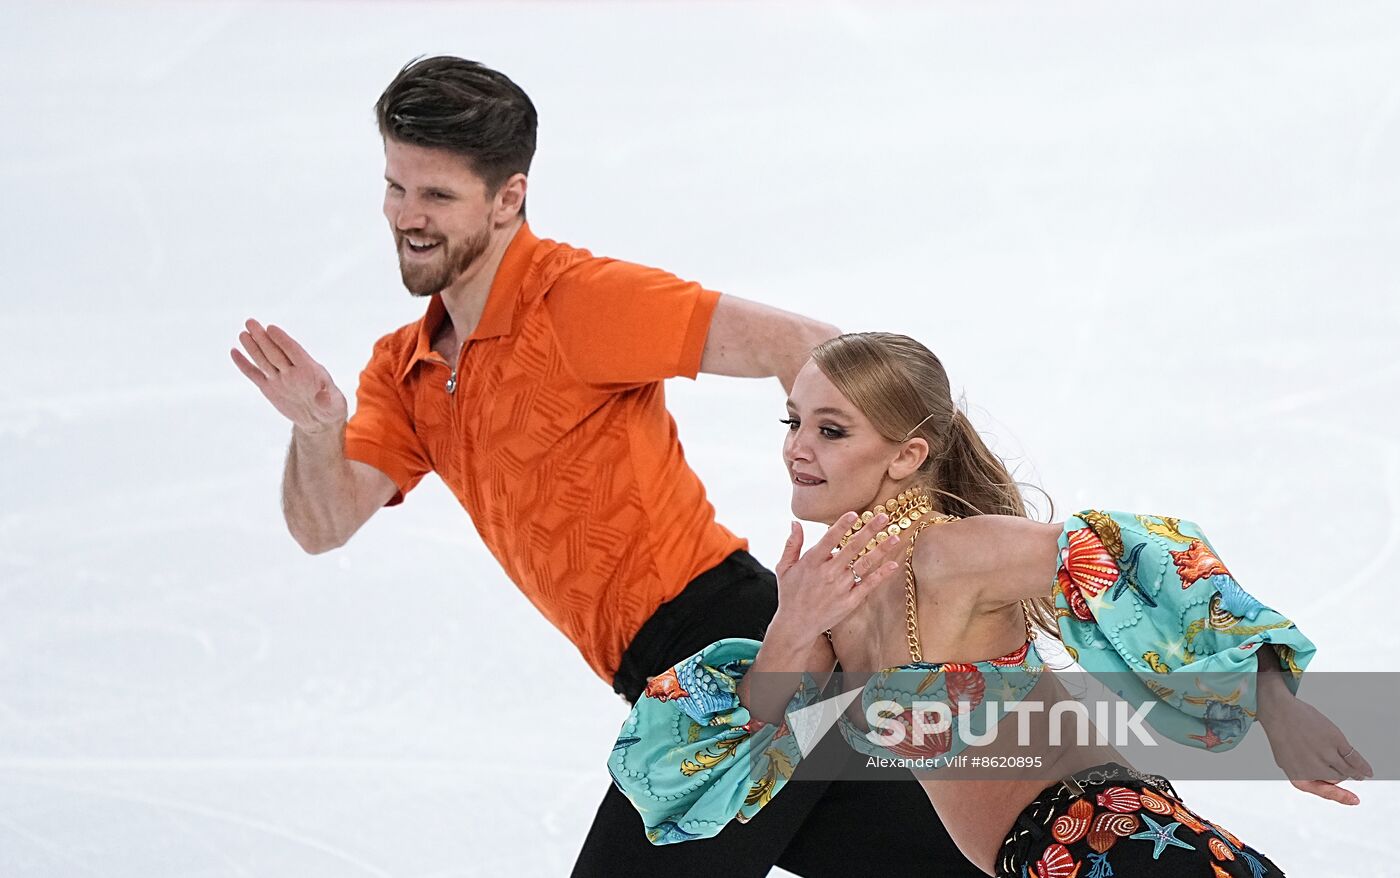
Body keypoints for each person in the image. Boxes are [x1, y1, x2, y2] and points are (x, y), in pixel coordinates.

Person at [230, 57, 984, 875]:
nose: (408, 217)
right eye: (396, 188)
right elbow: (323, 523)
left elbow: (799, 344)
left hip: (725, 646)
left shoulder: (578, 301)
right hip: (688, 663)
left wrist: (871, 541)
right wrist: (318, 429)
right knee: (959, 853)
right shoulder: (407, 370)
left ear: (508, 197)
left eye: (437, 196)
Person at [610, 332, 1371, 876]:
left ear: (907, 455)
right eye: (795, 422)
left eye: (831, 430)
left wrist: (1276, 704)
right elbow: (708, 771)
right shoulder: (828, 592)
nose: (797, 447)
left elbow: (1149, 555)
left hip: (1115, 840)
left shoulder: (954, 554)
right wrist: (790, 628)